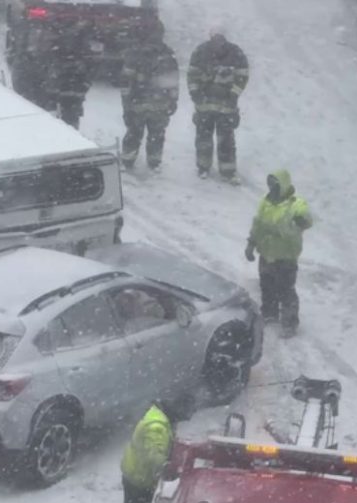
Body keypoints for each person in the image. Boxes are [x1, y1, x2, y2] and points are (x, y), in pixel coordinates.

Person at [115, 395, 195, 503]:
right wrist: (169, 469)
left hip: (133, 472)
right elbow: (154, 457)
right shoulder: (157, 427)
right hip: (140, 478)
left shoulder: (157, 416)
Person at [245, 169, 313, 338]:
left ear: (283, 185)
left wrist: (301, 220)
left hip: (286, 257)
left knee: (286, 290)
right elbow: (258, 225)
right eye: (270, 185)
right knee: (266, 286)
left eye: (275, 185)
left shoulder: (296, 203)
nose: (272, 188)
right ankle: (269, 314)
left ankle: (290, 323)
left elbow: (306, 218)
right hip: (266, 254)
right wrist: (251, 244)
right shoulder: (265, 203)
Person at [187, 27, 249, 183]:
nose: (217, 40)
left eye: (220, 36)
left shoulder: (236, 53)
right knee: (203, 139)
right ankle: (203, 167)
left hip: (226, 108)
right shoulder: (200, 51)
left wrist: (234, 94)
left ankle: (228, 171)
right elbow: (192, 74)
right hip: (204, 106)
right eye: (215, 36)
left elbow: (242, 76)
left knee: (226, 140)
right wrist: (195, 93)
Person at [119, 19, 179, 172]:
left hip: (140, 103)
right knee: (155, 135)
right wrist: (173, 100)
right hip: (156, 104)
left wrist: (126, 104)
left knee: (136, 133)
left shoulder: (135, 53)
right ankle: (152, 163)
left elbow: (126, 82)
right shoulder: (167, 54)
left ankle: (129, 161)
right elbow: (172, 82)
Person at [44, 21, 96, 128]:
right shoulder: (81, 44)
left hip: (67, 88)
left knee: (60, 114)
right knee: (70, 116)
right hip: (73, 89)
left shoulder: (58, 43)